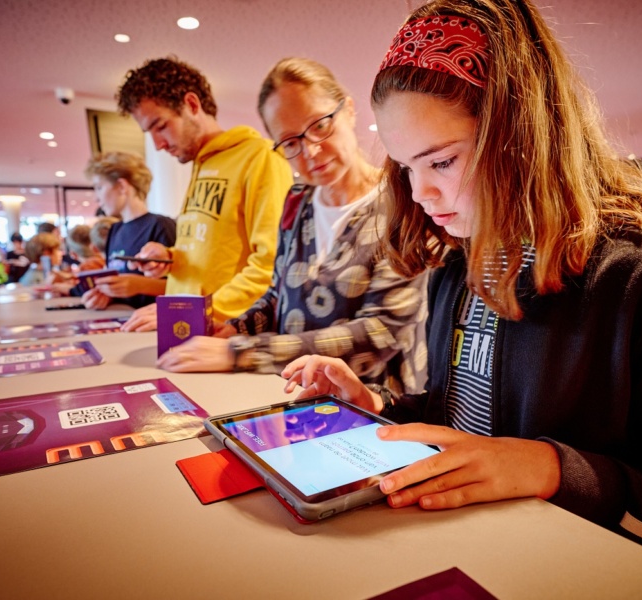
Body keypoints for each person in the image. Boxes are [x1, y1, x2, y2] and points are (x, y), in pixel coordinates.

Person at [281, 0, 642, 567]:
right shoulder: (455, 270)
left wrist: (551, 469)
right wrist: (377, 405)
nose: (418, 194)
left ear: (524, 136)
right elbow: (458, 421)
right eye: (407, 168)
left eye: (441, 163)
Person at [158, 57, 429, 397]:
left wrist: (241, 352)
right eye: (290, 143)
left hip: (370, 408)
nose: (311, 151)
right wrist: (233, 329)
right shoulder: (297, 201)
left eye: (319, 125)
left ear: (348, 110)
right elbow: (277, 296)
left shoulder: (404, 203)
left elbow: (380, 333)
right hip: (288, 392)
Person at [114, 56, 294, 330]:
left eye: (161, 126)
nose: (158, 144)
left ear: (192, 104)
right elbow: (212, 249)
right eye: (149, 132)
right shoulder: (201, 164)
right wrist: (170, 256)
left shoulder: (261, 157)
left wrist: (198, 313)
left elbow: (270, 265)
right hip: (185, 328)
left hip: (225, 331)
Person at [80, 152, 176, 309]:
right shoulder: (114, 230)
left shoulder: (160, 225)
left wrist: (140, 285)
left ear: (122, 186)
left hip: (151, 324)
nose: (96, 198)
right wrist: (106, 294)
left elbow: (180, 286)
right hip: (121, 320)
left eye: (99, 187)